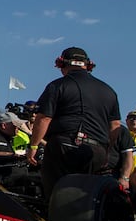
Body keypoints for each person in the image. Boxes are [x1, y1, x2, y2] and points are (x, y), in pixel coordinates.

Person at [26, 46, 121, 198]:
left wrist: (33, 145)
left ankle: (55, 220)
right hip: (97, 152)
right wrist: (106, 152)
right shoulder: (109, 91)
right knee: (84, 197)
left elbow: (44, 118)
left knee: (56, 195)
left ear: (63, 65)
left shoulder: (57, 85)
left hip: (65, 146)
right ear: (87, 65)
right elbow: (115, 126)